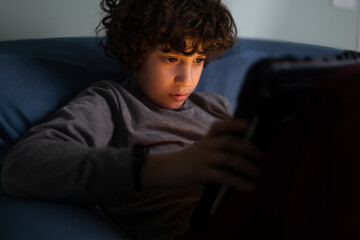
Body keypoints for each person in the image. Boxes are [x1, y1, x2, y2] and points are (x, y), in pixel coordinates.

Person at [1, 0, 262, 239]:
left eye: (199, 60)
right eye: (172, 58)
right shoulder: (113, 103)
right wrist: (167, 167)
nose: (187, 79)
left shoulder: (216, 107)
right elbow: (21, 166)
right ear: (135, 51)